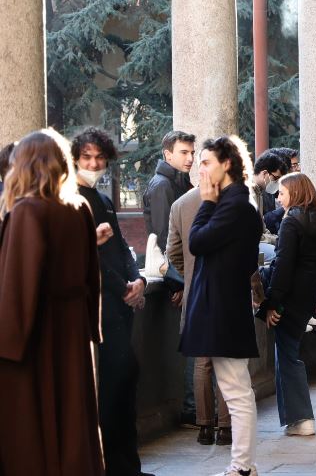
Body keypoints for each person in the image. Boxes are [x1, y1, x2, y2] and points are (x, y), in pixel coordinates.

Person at [0, 130, 104, 475]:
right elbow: (93, 278)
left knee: (33, 429)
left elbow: (18, 282)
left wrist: (7, 344)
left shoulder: (28, 211)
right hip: (71, 330)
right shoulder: (78, 208)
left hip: (37, 334)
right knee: (72, 420)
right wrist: (91, 326)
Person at [180, 136, 262, 476]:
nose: (200, 169)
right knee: (235, 388)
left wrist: (208, 202)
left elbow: (196, 242)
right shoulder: (237, 204)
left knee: (236, 391)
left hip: (223, 308)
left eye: (206, 162)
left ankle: (242, 467)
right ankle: (243, 465)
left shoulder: (234, 206)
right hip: (223, 305)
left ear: (226, 164)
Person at [72, 128, 152, 476]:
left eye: (98, 158)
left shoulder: (101, 199)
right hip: (102, 307)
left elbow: (120, 247)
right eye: (87, 157)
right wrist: (126, 288)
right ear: (75, 157)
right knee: (113, 386)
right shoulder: (73, 199)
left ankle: (128, 467)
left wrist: (139, 279)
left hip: (119, 303)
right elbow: (94, 259)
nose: (93, 163)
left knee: (125, 382)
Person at [256, 173, 316, 436]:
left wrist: (273, 304)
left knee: (288, 355)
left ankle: (301, 417)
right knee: (288, 352)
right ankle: (294, 417)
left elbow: (283, 265)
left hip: (288, 298)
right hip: (307, 297)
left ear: (295, 192)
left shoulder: (292, 221)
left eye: (281, 192)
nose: (278, 197)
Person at [167, 184, 232, 446]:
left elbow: (172, 251)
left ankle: (204, 426)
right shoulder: (233, 201)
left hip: (195, 293)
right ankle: (226, 426)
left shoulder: (180, 204)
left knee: (202, 362)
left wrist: (190, 277)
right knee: (227, 361)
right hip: (227, 294)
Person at [143, 130, 197, 426]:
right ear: (168, 155)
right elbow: (166, 237)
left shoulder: (179, 182)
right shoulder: (162, 185)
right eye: (184, 153)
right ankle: (193, 409)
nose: (190, 158)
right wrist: (175, 282)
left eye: (192, 152)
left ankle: (195, 408)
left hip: (183, 275)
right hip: (174, 276)